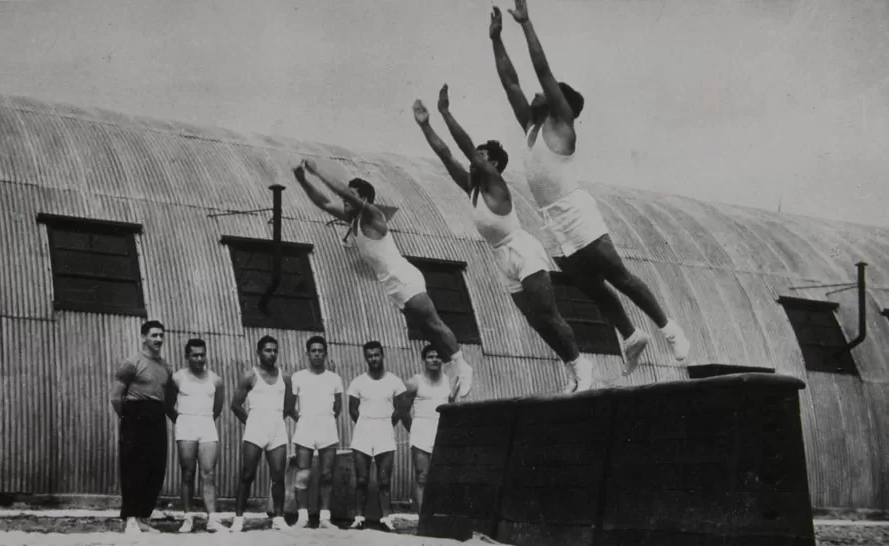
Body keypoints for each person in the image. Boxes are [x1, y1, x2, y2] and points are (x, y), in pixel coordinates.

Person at [489, 0, 690, 376]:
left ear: (558, 102)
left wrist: (526, 24)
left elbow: (541, 68)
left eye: (542, 92)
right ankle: (631, 337)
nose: (533, 93)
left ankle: (669, 328)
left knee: (619, 276)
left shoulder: (561, 123)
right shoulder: (530, 127)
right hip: (551, 221)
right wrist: (496, 39)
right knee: (592, 288)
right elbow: (510, 81)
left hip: (574, 211)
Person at [413, 83, 594, 390]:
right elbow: (446, 153)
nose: (473, 160)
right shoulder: (472, 188)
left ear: (493, 164)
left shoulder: (494, 181)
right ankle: (571, 368)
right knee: (535, 321)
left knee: (548, 315)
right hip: (501, 257)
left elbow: (464, 145)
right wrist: (426, 125)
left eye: (481, 156)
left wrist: (445, 112)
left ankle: (581, 363)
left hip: (522, 250)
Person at [292, 159, 474, 398]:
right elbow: (325, 202)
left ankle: (462, 366)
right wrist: (303, 180)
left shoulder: (372, 215)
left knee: (434, 324)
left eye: (351, 197)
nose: (345, 200)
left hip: (404, 278)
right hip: (392, 287)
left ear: (364, 200)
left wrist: (318, 172)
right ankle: (452, 367)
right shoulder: (354, 221)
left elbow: (340, 192)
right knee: (427, 331)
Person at [109, 320, 176, 534]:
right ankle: (130, 518)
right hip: (134, 415)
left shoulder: (166, 367)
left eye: (161, 335)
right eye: (154, 335)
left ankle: (142, 517)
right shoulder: (132, 363)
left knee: (155, 467)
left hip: (156, 416)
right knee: (133, 467)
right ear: (144, 337)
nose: (158, 339)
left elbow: (167, 401)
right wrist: (128, 419)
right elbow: (115, 397)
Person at [228, 335, 296, 532]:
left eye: (275, 350)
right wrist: (252, 422)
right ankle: (239, 518)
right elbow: (235, 405)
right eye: (268, 350)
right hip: (255, 429)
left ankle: (278, 517)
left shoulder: (285, 378)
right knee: (247, 474)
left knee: (279, 476)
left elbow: (288, 406)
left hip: (276, 430)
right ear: (259, 353)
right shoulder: (250, 375)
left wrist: (274, 420)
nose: (272, 354)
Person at [346, 341, 409, 532]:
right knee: (362, 479)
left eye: (376, 355)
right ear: (366, 358)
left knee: (384, 480)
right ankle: (358, 518)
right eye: (370, 356)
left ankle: (385, 518)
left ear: (383, 355)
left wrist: (385, 425)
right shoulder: (358, 382)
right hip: (363, 429)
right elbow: (352, 410)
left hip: (385, 430)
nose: (373, 359)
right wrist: (367, 425)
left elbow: (400, 408)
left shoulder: (395, 381)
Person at [172, 338, 229, 533]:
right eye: (195, 355)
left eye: (202, 354)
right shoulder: (178, 377)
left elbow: (218, 407)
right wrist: (181, 420)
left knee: (209, 473)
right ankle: (188, 518)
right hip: (185, 425)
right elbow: (168, 403)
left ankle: (212, 518)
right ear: (187, 356)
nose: (199, 358)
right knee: (188, 472)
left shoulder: (216, 379)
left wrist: (204, 420)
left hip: (206, 425)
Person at [290, 335, 345, 529]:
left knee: (327, 474)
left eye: (320, 351)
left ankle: (324, 518)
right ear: (307, 353)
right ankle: (303, 517)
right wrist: (304, 420)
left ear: (325, 353)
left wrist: (324, 419)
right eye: (313, 351)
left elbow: (338, 407)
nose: (317, 354)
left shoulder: (334, 378)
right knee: (303, 473)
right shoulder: (298, 377)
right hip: (305, 427)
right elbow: (290, 406)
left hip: (327, 428)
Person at [400, 345, 454, 513]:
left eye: (438, 357)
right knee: (422, 477)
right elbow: (403, 411)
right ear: (424, 360)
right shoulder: (414, 382)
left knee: (442, 477)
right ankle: (424, 517)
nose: (435, 360)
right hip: (421, 431)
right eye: (431, 357)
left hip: (442, 432)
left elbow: (452, 409)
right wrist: (415, 430)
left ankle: (439, 514)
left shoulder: (449, 382)